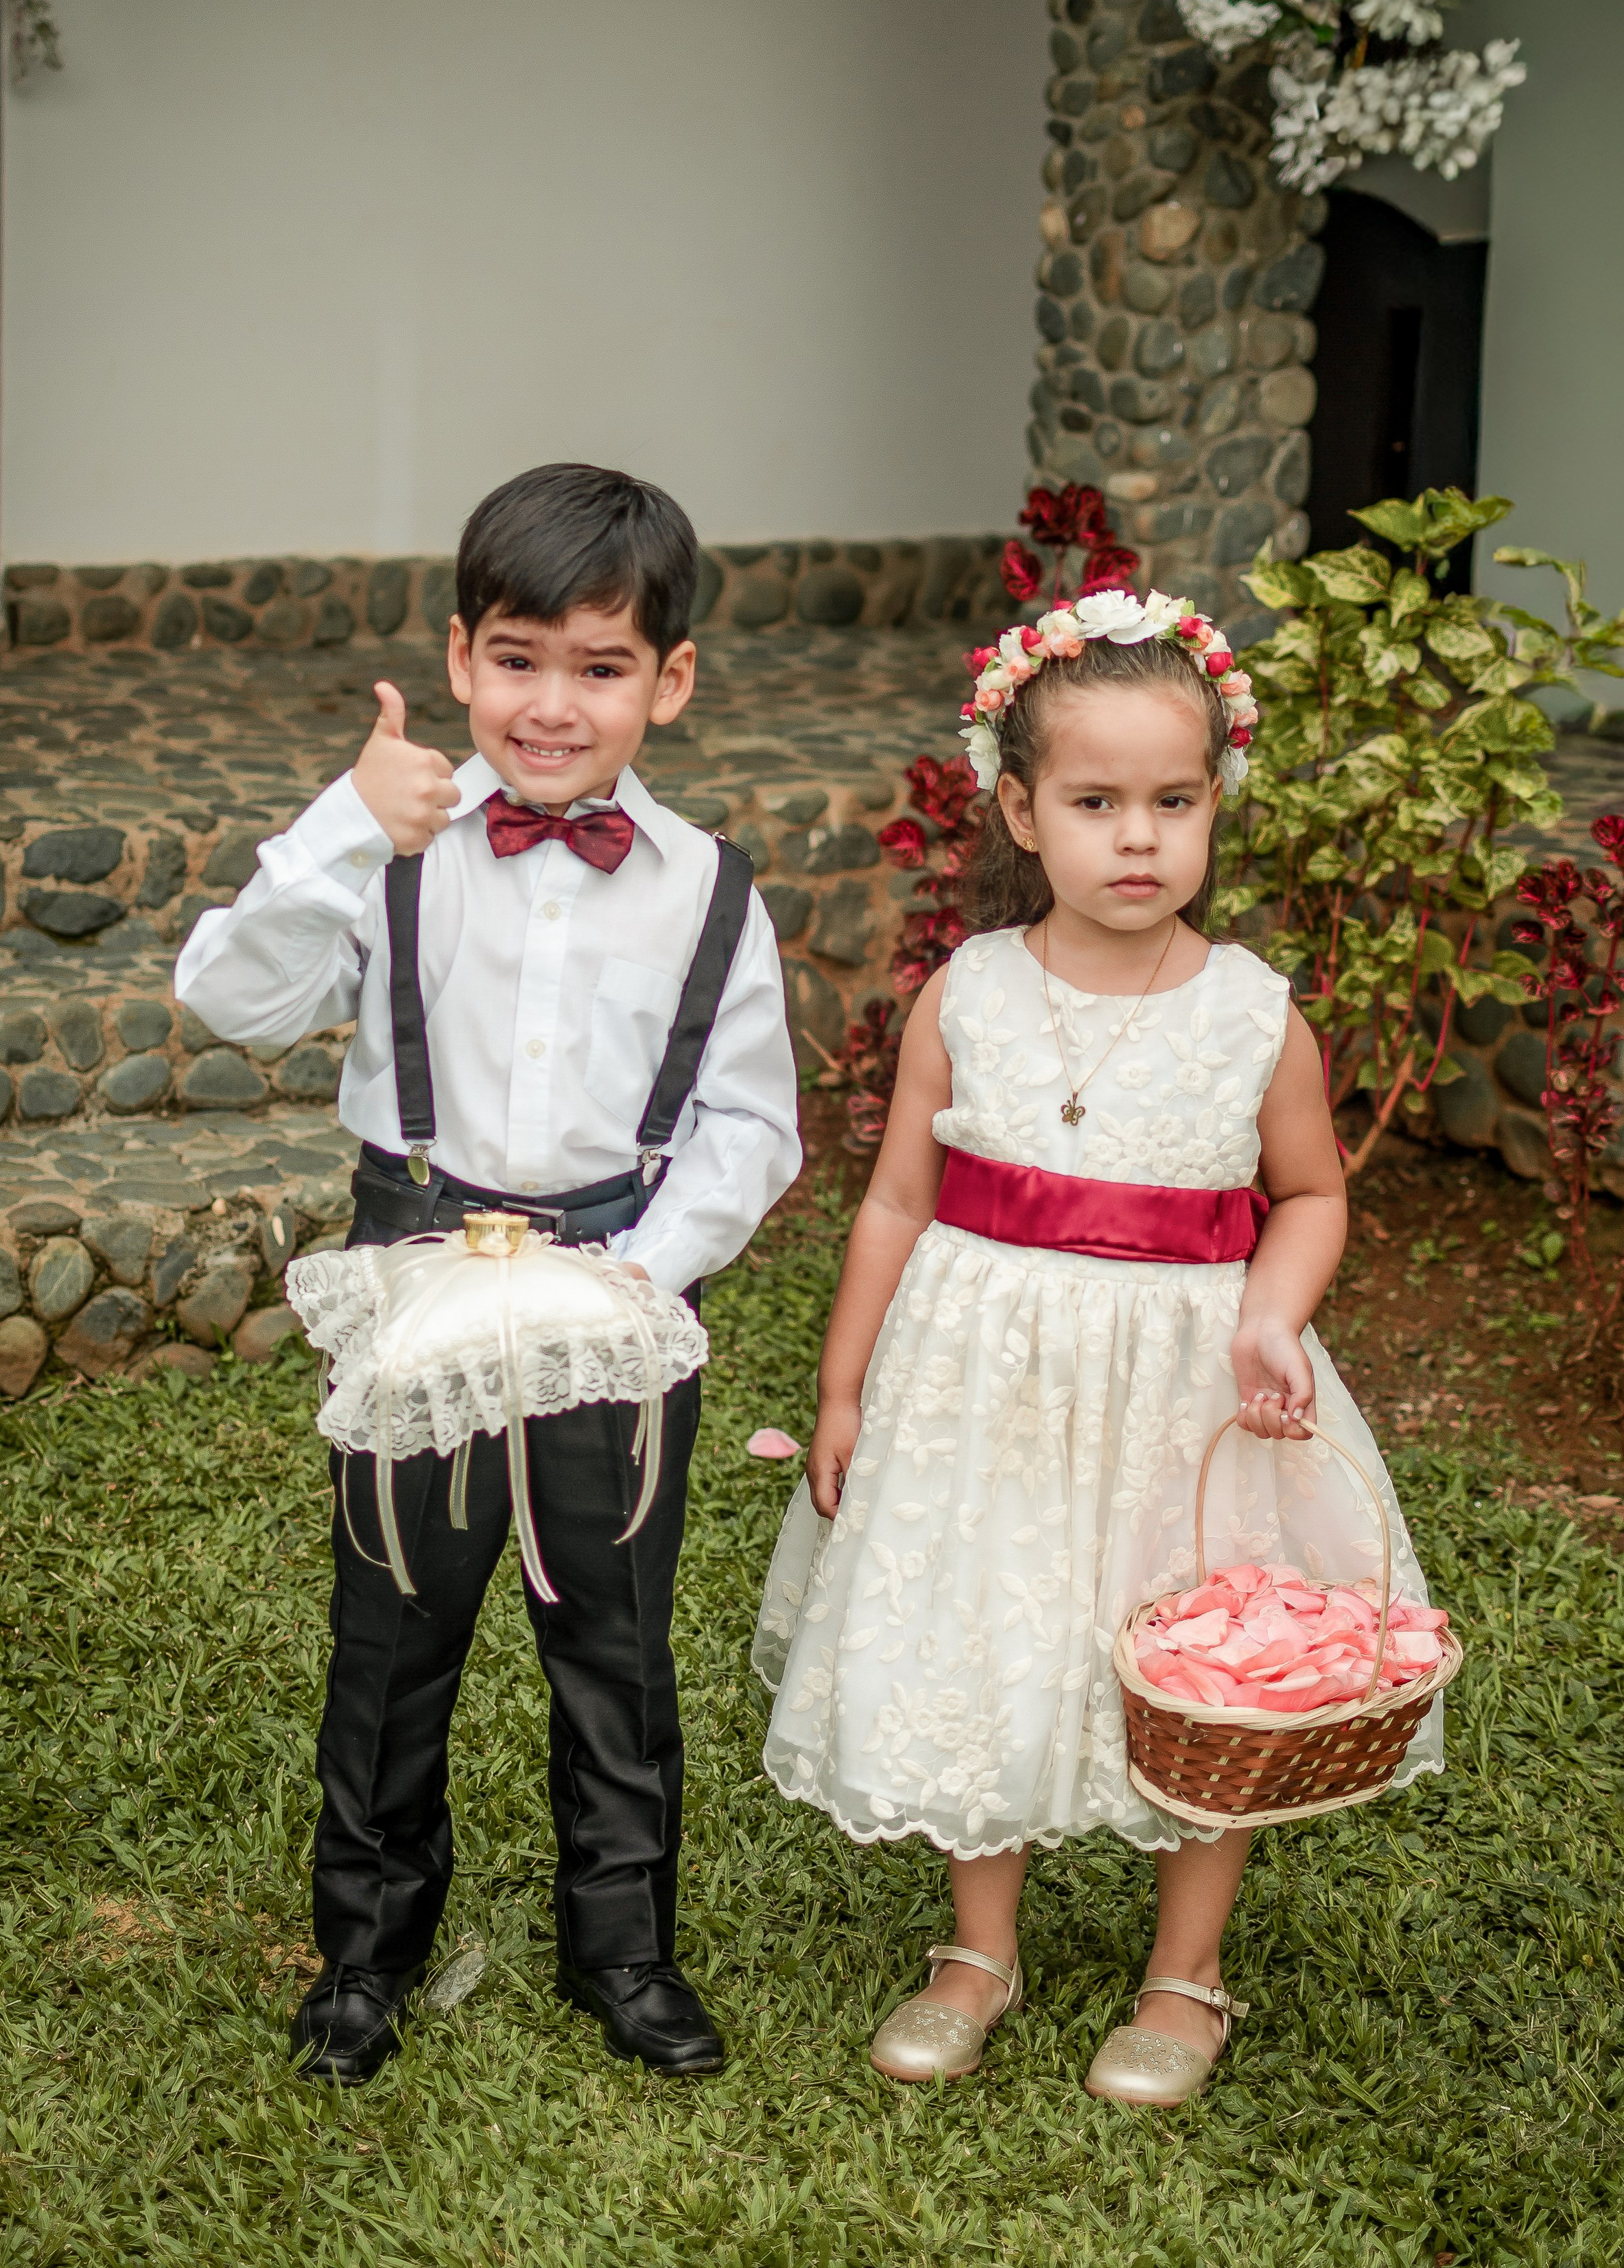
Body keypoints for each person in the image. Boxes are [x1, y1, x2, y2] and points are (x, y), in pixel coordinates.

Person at [752, 587, 1442, 2105]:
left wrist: (1273, 1309)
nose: (1138, 837)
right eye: (1094, 801)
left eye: (1173, 801)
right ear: (1019, 807)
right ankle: (976, 1947)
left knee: (1198, 1654)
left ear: (1213, 805)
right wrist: (843, 1382)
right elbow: (891, 1197)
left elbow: (1310, 1192)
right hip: (980, 1376)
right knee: (976, 1623)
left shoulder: (1252, 1014)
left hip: (1178, 1381)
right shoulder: (970, 992)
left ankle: (1183, 1971)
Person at [179, 463, 801, 2085]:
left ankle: (623, 1949)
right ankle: (366, 1953)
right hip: (418, 1278)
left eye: (601, 668)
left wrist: (638, 1282)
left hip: (611, 1300)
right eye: (518, 659)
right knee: (393, 1629)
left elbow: (748, 1127)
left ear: (668, 681)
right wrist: (335, 827)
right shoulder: (393, 850)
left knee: (615, 1638)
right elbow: (229, 998)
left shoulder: (715, 891)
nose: (551, 704)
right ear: (459, 659)